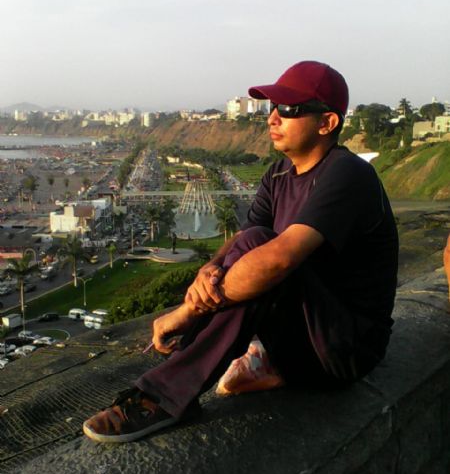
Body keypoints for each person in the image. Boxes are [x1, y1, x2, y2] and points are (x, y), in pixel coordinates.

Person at [83, 60, 399, 444]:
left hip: (344, 350)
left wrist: (188, 312)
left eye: (289, 109)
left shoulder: (347, 174)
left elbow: (278, 258)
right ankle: (218, 368)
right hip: (298, 339)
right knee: (251, 241)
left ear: (327, 122)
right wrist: (210, 268)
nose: (273, 118)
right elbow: (244, 236)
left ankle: (165, 396)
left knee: (262, 247)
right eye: (272, 107)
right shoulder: (278, 174)